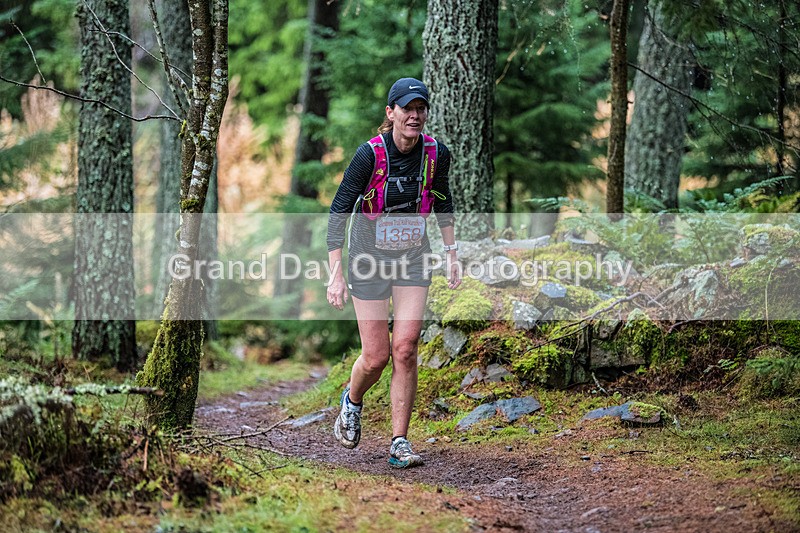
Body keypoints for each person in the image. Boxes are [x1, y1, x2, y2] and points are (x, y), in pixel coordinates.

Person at [326, 77, 461, 468]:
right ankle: (352, 401)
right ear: (391, 113)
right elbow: (339, 212)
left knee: (405, 348)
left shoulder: (436, 154)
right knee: (376, 357)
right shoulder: (369, 155)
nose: (414, 116)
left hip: (413, 258)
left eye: (420, 109)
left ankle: (399, 442)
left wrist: (452, 252)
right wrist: (335, 274)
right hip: (367, 259)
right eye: (407, 109)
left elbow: (442, 200)